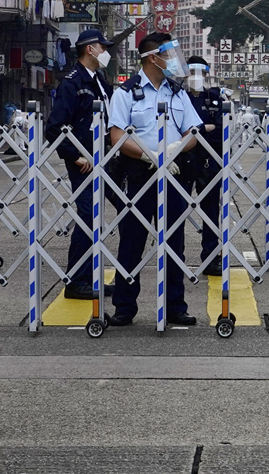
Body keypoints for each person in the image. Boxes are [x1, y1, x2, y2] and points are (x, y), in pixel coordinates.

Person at [105, 33, 204, 326]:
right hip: (139, 175)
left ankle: (175, 305)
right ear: (152, 58)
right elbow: (117, 137)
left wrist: (172, 152)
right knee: (131, 242)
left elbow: (193, 132)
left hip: (173, 176)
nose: (173, 61)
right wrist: (152, 156)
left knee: (174, 242)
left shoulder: (177, 92)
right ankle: (124, 307)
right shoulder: (126, 92)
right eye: (168, 55)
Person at [44, 28, 115, 299]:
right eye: (102, 47)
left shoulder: (99, 80)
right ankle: (76, 281)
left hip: (105, 158)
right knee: (87, 217)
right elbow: (54, 128)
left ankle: (91, 276)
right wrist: (75, 156)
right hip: (84, 162)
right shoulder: (72, 82)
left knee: (99, 218)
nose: (106, 52)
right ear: (89, 49)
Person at [178, 55, 229, 276]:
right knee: (177, 210)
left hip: (209, 162)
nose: (196, 78)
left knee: (210, 211)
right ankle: (174, 256)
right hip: (183, 161)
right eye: (192, 73)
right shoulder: (178, 98)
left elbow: (220, 132)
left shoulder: (215, 98)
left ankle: (210, 257)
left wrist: (198, 132)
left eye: (201, 74)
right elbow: (177, 130)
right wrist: (202, 128)